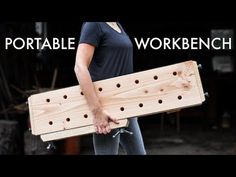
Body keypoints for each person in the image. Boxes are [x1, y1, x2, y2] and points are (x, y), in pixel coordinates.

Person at [74, 22, 146, 155]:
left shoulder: (117, 25)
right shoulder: (94, 25)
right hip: (106, 108)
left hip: (126, 106)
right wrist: (97, 111)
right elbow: (80, 67)